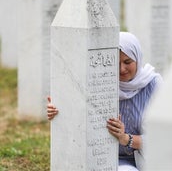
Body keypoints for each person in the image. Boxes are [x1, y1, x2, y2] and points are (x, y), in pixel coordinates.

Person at [47, 32, 162, 171]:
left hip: (146, 159)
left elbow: (162, 136)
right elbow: (77, 116)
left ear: (137, 58)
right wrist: (58, 111)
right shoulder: (98, 83)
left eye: (127, 62)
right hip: (105, 159)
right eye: (115, 62)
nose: (121, 69)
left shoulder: (153, 85)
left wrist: (126, 138)